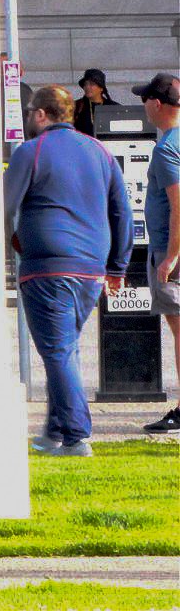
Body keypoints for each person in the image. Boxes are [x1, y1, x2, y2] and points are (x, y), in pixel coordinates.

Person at [4, 85, 133, 454]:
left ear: (42, 114)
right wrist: (117, 267)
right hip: (91, 267)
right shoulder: (99, 152)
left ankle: (77, 435)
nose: (29, 118)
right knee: (64, 349)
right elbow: (121, 212)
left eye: (31, 111)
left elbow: (4, 205)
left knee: (58, 351)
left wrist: (11, 241)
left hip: (48, 266)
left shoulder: (31, 151)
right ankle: (55, 431)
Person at [132, 73, 180, 435]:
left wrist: (170, 258)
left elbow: (179, 205)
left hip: (171, 249)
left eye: (146, 99)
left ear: (157, 104)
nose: (144, 104)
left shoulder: (166, 149)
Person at [73, 69, 117, 138]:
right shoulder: (76, 106)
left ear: (101, 88)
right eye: (85, 84)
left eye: (92, 84)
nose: (87, 87)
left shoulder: (114, 108)